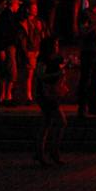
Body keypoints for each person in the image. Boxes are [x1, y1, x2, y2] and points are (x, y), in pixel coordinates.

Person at [34, 36, 68, 165]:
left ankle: (41, 152)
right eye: (55, 44)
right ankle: (52, 151)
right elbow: (40, 75)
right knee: (61, 122)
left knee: (46, 123)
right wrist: (57, 74)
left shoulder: (54, 59)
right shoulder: (43, 59)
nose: (57, 47)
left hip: (51, 93)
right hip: (46, 94)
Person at [0, 0, 23, 105]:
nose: (18, 7)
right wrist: (1, 49)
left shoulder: (9, 15)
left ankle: (5, 96)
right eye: (17, 5)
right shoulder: (6, 16)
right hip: (8, 46)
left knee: (8, 71)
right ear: (13, 4)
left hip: (8, 46)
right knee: (11, 71)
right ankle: (7, 97)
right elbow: (2, 33)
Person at [19, 1, 47, 105]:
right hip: (30, 50)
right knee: (29, 75)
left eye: (36, 8)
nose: (35, 10)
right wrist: (25, 50)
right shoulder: (24, 23)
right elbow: (23, 39)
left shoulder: (39, 22)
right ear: (28, 10)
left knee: (39, 75)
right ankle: (28, 96)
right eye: (33, 8)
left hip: (38, 50)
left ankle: (39, 95)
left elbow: (42, 36)